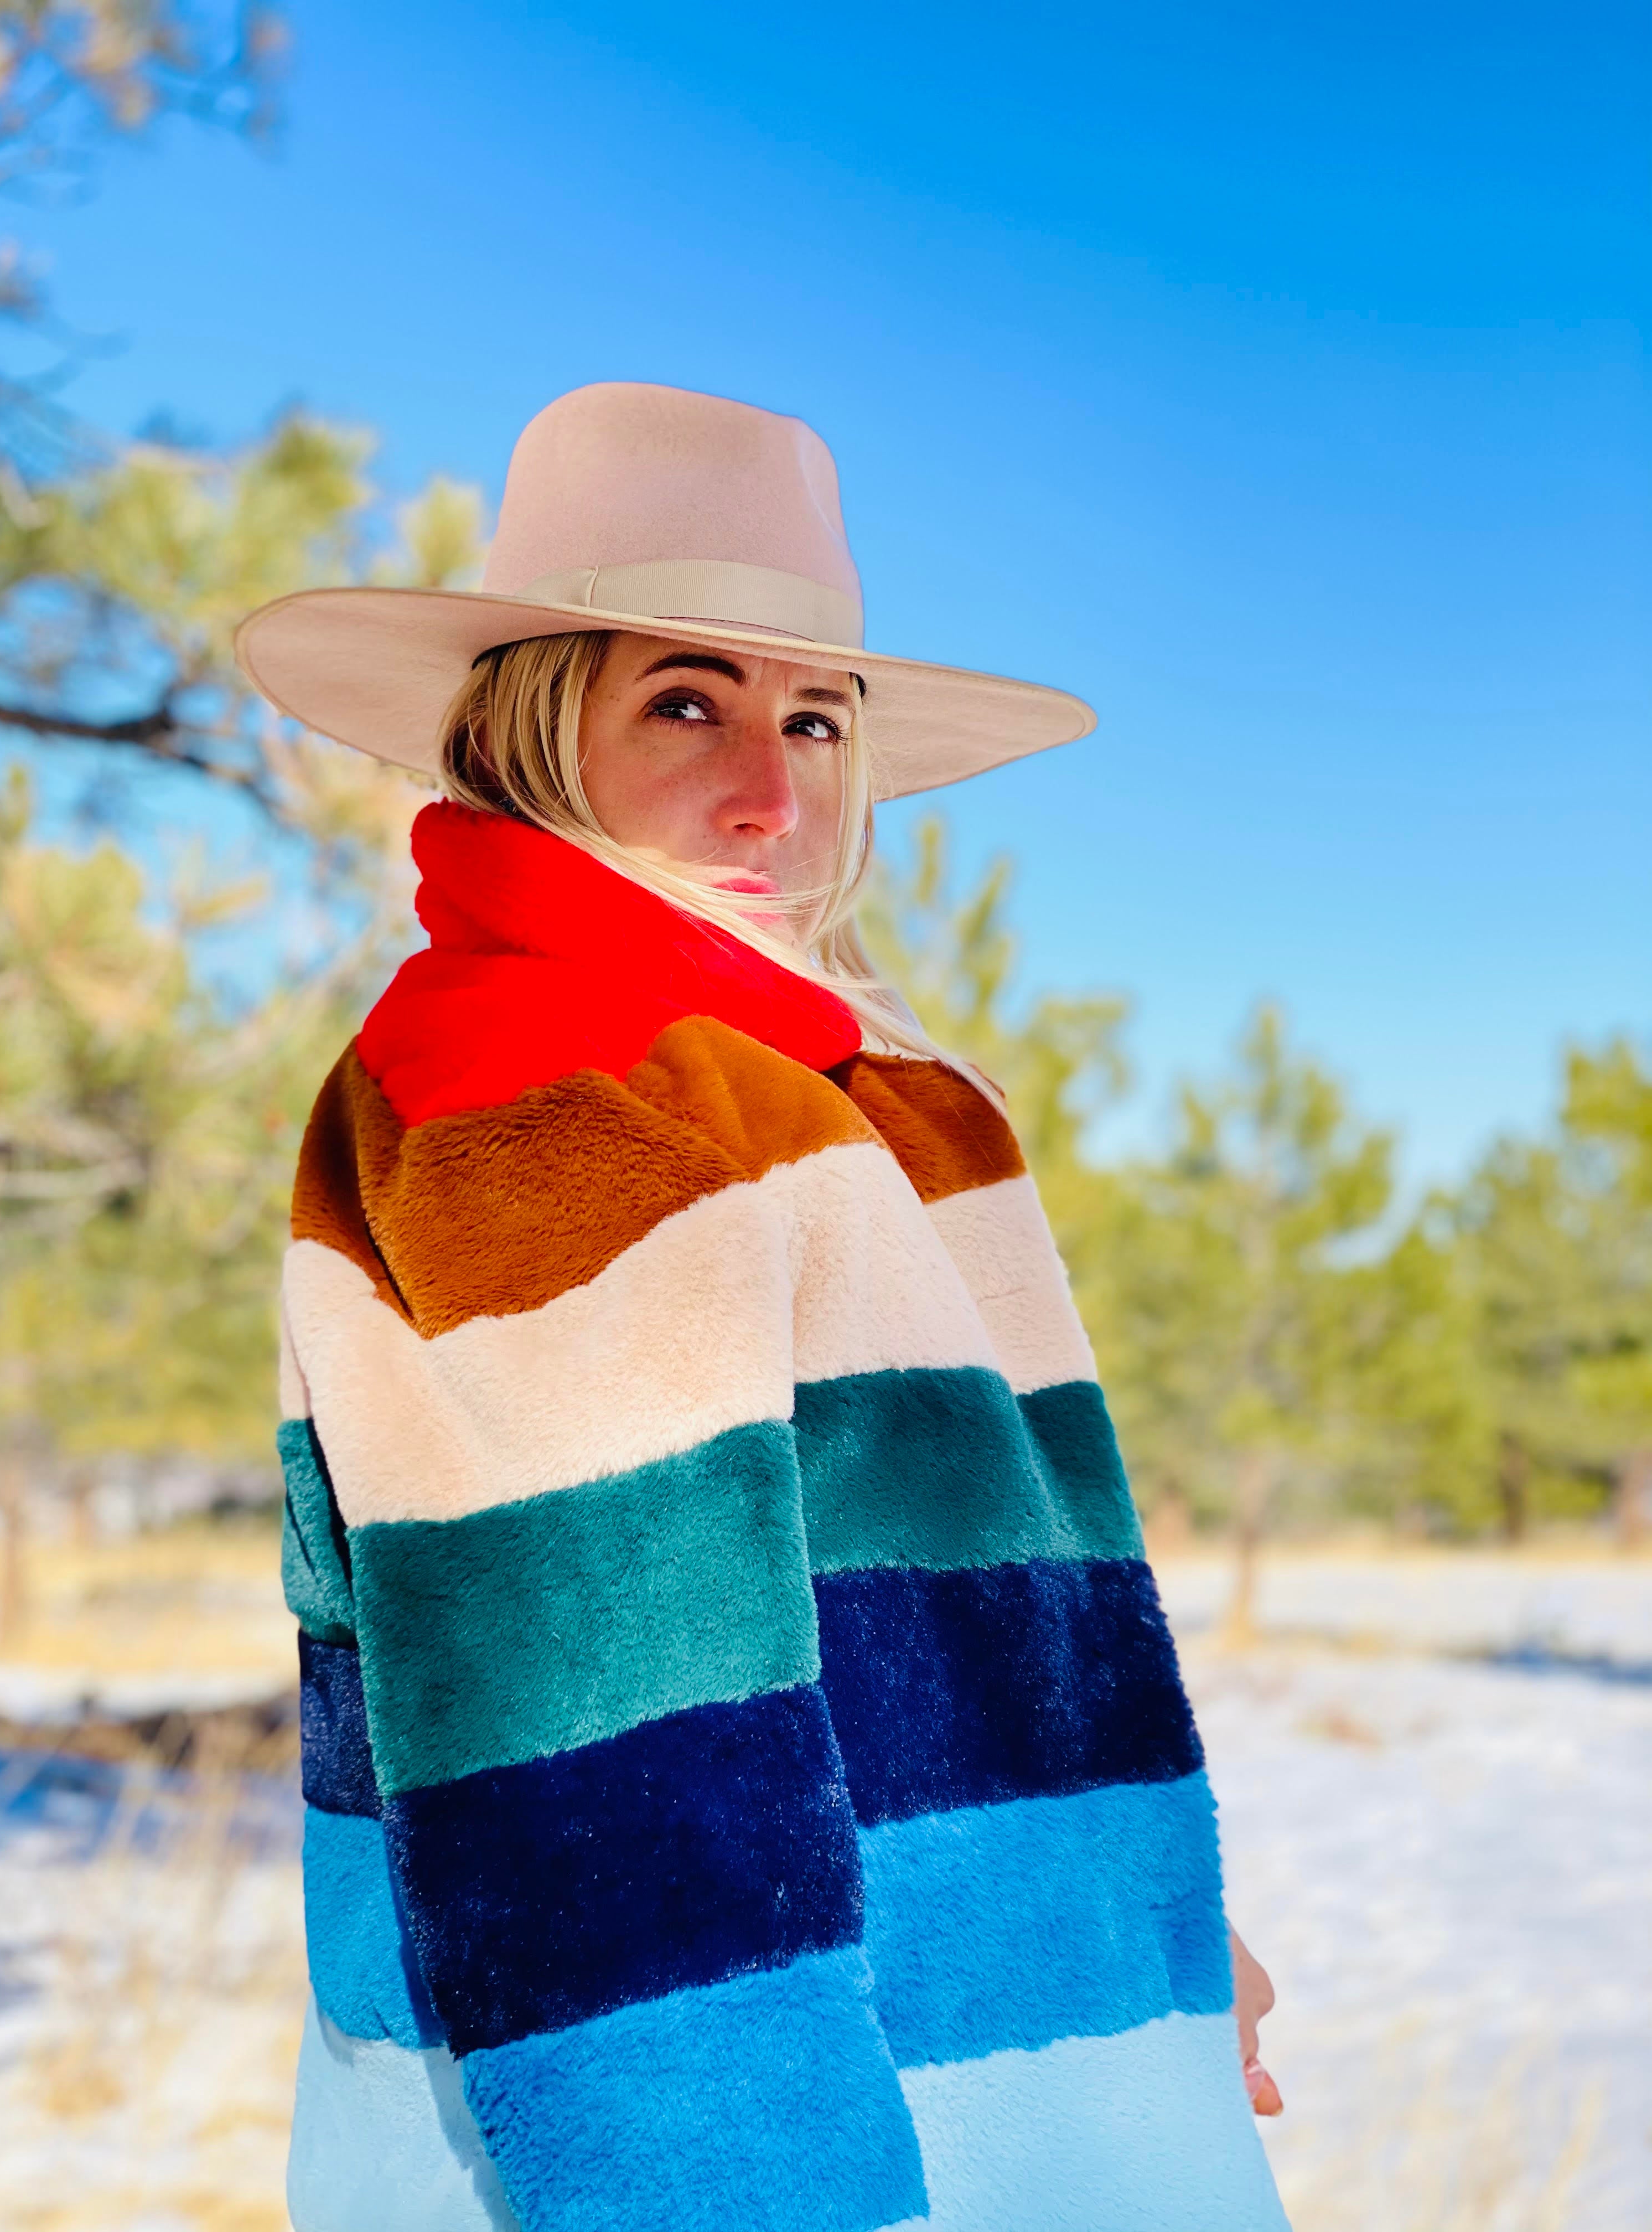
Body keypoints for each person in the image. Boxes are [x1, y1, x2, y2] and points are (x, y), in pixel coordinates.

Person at [238, 381, 1288, 2232]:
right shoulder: (542, 1082)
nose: (771, 793)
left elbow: (966, 1635)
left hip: (997, 2065)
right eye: (685, 702)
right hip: (783, 2142)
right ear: (528, 733)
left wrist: (1148, 1926)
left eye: (814, 718)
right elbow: (610, 1785)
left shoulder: (820, 1089)